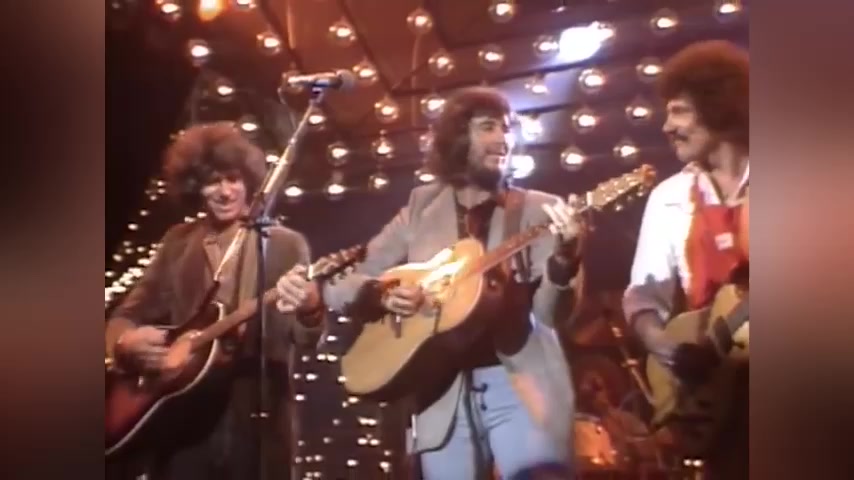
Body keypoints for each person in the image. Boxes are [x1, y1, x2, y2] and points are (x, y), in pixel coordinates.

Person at [281, 86, 586, 479]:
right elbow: (343, 283)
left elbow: (552, 314)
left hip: (522, 386)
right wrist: (384, 294)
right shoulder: (422, 207)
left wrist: (565, 261)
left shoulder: (540, 210)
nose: (503, 139)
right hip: (441, 393)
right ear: (457, 138)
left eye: (508, 128)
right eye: (488, 127)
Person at [104, 122, 325, 480]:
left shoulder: (286, 245)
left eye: (232, 179)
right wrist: (125, 343)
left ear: (249, 181)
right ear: (195, 187)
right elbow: (124, 317)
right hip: (183, 428)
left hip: (258, 427)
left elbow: (305, 338)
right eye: (212, 181)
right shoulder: (177, 242)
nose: (224, 191)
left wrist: (311, 307)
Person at [622, 40, 749, 479]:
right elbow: (643, 298)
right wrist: (668, 350)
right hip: (717, 394)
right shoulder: (669, 197)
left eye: (679, 111)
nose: (666, 127)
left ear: (720, 107)